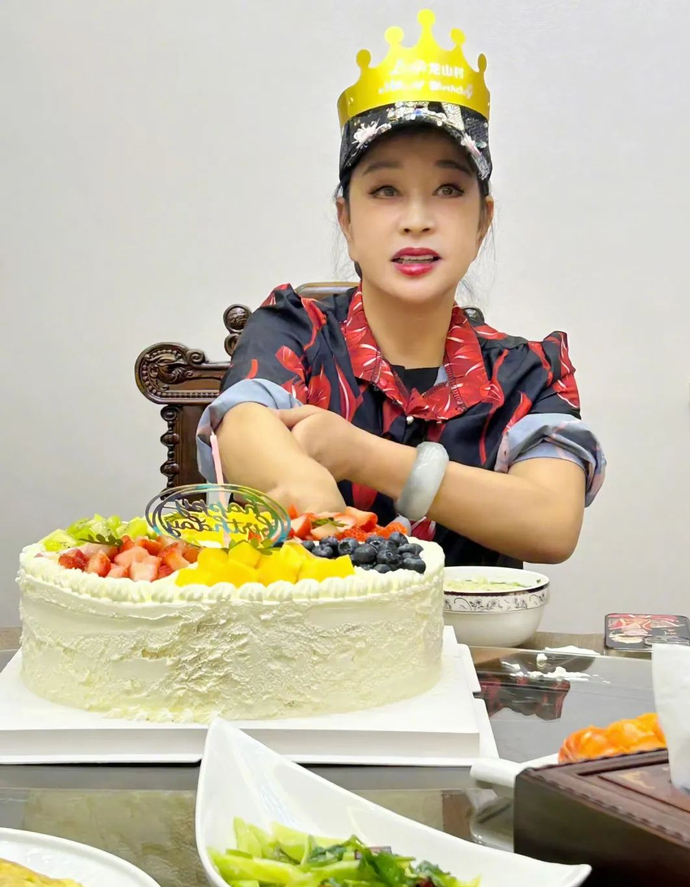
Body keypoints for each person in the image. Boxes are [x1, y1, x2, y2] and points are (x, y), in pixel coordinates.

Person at [197, 8, 606, 568]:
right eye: (386, 190)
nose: (416, 220)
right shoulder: (296, 329)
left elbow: (552, 524)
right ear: (346, 219)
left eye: (448, 189)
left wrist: (362, 456)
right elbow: (244, 427)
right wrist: (307, 491)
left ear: (482, 221)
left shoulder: (527, 374)